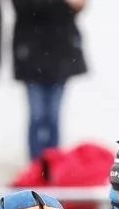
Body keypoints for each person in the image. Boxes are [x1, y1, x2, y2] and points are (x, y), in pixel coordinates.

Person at [10, 0, 87, 163]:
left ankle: (52, 166)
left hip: (60, 55)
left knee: (53, 117)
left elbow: (79, 4)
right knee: (37, 116)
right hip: (31, 56)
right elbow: (23, 8)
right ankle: (36, 165)